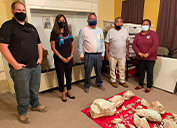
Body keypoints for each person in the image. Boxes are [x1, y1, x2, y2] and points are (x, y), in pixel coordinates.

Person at [0, 1, 47, 124]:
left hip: (35, 65)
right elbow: (3, 47)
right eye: (19, 10)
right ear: (13, 11)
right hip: (20, 68)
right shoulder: (7, 26)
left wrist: (40, 58)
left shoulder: (31, 27)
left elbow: (39, 43)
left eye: (23, 10)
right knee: (22, 91)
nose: (22, 12)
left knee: (34, 88)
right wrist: (15, 64)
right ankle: (22, 112)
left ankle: (35, 104)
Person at [78, 13, 105, 93]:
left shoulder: (100, 30)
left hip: (99, 55)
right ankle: (87, 85)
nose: (93, 20)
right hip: (88, 55)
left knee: (99, 71)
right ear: (87, 20)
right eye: (91, 18)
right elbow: (80, 43)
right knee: (87, 71)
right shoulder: (83, 30)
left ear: (96, 20)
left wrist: (103, 53)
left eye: (94, 19)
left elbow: (102, 42)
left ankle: (99, 83)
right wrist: (81, 54)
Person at [50, 14, 75, 102]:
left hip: (69, 58)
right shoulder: (53, 33)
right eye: (60, 20)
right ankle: (63, 93)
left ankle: (69, 91)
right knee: (60, 76)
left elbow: (72, 46)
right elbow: (53, 48)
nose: (62, 22)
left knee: (69, 75)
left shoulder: (69, 33)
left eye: (63, 20)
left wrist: (71, 56)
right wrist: (61, 57)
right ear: (57, 22)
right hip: (59, 59)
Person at [132, 19, 159, 93]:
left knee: (150, 72)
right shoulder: (138, 35)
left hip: (150, 58)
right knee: (141, 71)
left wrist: (148, 53)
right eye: (144, 24)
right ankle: (141, 84)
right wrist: (139, 53)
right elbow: (134, 45)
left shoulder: (153, 34)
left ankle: (149, 86)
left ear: (149, 26)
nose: (145, 25)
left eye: (147, 24)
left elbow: (155, 45)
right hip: (140, 57)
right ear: (141, 25)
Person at [105, 17, 130, 88]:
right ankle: (113, 80)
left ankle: (122, 81)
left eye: (120, 22)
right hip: (112, 54)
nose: (118, 23)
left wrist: (128, 51)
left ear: (122, 23)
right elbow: (107, 42)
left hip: (122, 54)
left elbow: (127, 41)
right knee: (112, 68)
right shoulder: (110, 31)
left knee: (122, 68)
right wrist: (107, 53)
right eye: (117, 22)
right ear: (114, 23)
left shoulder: (125, 31)